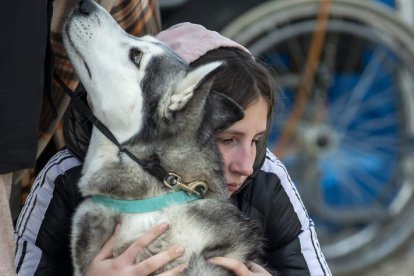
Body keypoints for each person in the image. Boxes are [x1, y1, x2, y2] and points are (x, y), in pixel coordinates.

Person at [15, 22, 332, 275]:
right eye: (226, 139)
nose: (245, 165)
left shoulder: (266, 177)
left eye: (256, 139)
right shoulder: (68, 176)